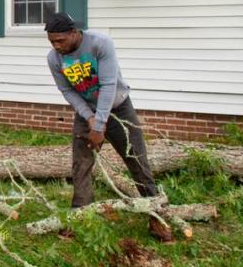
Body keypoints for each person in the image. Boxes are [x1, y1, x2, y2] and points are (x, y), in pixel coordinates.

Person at [45, 12, 172, 242]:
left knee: (137, 161)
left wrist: (100, 123)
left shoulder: (100, 44)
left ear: (74, 33)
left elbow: (108, 84)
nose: (56, 46)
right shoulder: (54, 58)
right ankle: (80, 217)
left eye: (60, 40)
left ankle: (157, 216)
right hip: (87, 113)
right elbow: (67, 91)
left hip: (118, 107)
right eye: (52, 41)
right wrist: (89, 118)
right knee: (81, 166)